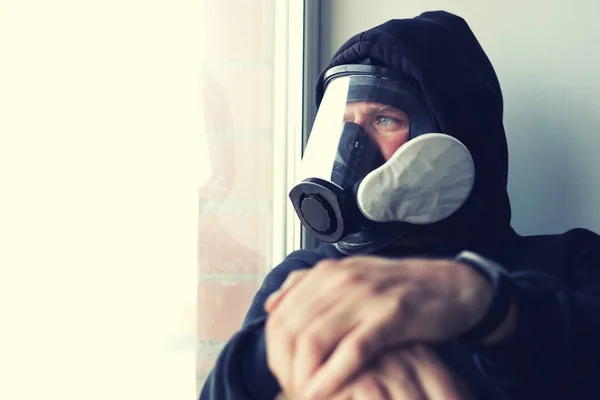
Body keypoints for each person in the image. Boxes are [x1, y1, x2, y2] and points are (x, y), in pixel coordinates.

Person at [200, 10, 600, 400]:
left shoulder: (570, 261)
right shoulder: (307, 277)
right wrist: (276, 348)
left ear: (454, 130)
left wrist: (489, 303)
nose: (349, 147)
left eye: (385, 119)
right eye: (342, 125)